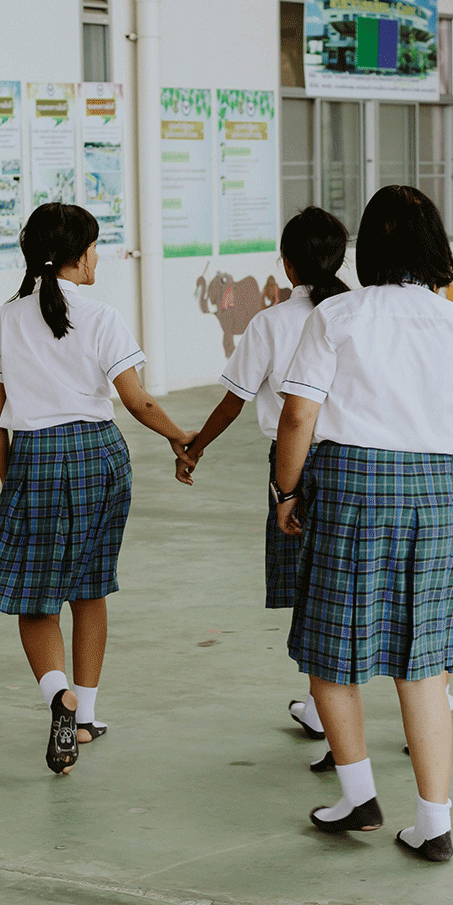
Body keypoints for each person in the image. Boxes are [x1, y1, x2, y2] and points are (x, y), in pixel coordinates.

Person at [274, 185, 453, 863]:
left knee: (330, 650)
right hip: (432, 492)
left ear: (367, 248)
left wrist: (286, 489)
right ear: (437, 249)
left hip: (348, 489)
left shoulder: (337, 316)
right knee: (423, 660)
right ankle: (434, 822)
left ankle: (359, 797)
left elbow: (298, 416)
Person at [0, 203, 195, 775]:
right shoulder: (101, 316)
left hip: (36, 457)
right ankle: (87, 717)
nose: (98, 258)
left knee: (35, 596)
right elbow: (136, 399)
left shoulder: (4, 321)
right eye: (95, 248)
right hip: (100, 456)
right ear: (79, 255)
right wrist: (181, 437)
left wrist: (14, 479)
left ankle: (59, 695)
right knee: (91, 587)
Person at [174, 207, 351, 759]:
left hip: (294, 464)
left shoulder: (271, 323)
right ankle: (429, 696)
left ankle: (325, 710)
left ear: (286, 264)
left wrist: (195, 446)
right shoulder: (357, 313)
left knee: (310, 589)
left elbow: (235, 400)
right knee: (353, 581)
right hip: (358, 460)